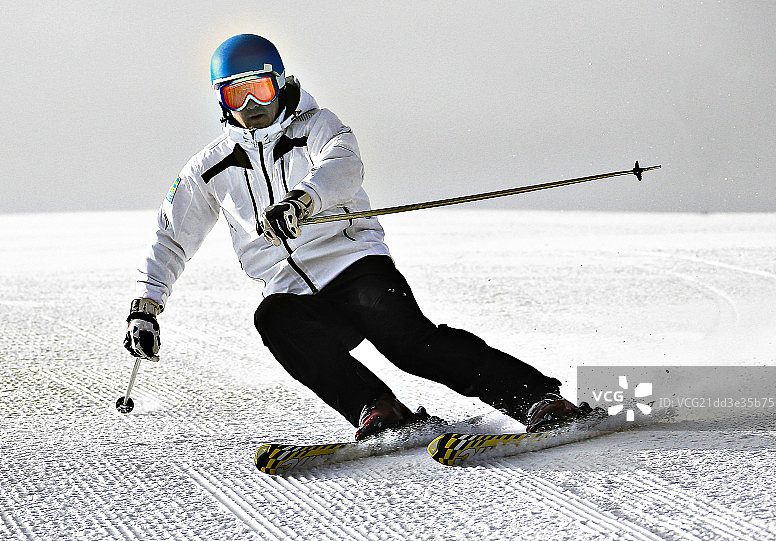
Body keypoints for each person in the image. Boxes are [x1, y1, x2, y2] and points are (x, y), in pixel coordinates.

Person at [124, 33, 590, 440]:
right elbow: (170, 237)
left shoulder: (318, 127)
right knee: (274, 319)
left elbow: (343, 167)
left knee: (410, 346)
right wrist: (146, 306)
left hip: (356, 269)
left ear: (280, 83)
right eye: (235, 96)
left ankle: (537, 399)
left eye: (260, 90)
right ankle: (379, 408)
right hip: (295, 294)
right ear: (220, 101)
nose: (251, 108)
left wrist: (303, 200)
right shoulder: (210, 167)